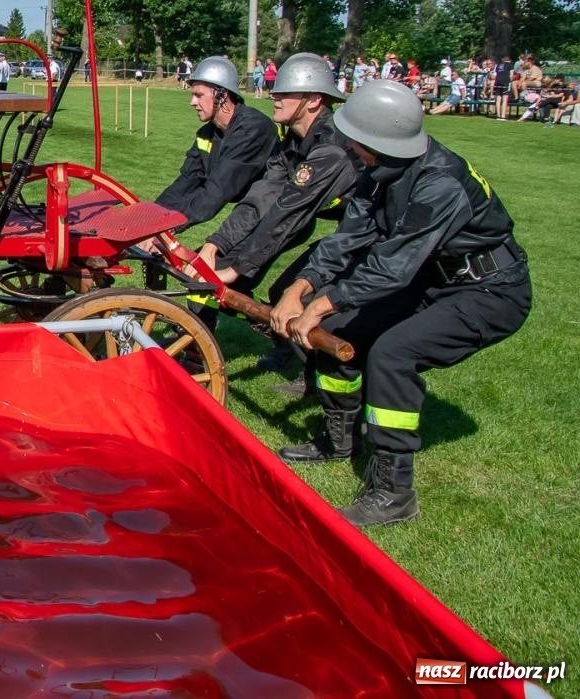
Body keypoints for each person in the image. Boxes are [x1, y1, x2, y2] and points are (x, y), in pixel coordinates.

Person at [269, 80, 530, 526]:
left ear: (379, 142)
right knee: (341, 331)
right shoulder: (380, 171)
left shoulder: (438, 184)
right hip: (435, 277)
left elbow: (392, 267)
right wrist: (300, 288)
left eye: (355, 139)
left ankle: (393, 492)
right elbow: (348, 240)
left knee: (393, 355)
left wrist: (320, 304)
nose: (347, 144)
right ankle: (340, 440)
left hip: (489, 290)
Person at [195, 53, 359, 383]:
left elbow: (290, 214)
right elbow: (261, 200)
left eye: (284, 93)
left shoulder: (332, 148)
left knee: (298, 294)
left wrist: (239, 268)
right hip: (345, 226)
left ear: (313, 100)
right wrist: (217, 245)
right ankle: (202, 350)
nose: (273, 96)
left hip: (377, 235)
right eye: (275, 89)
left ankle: (314, 379)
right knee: (250, 277)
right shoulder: (293, 142)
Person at [155, 56, 278, 233]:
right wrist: (150, 219)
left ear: (222, 95)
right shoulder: (206, 134)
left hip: (276, 213)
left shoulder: (253, 130)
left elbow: (218, 189)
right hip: (252, 208)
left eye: (198, 95)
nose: (192, 103)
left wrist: (167, 228)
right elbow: (186, 182)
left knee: (215, 259)